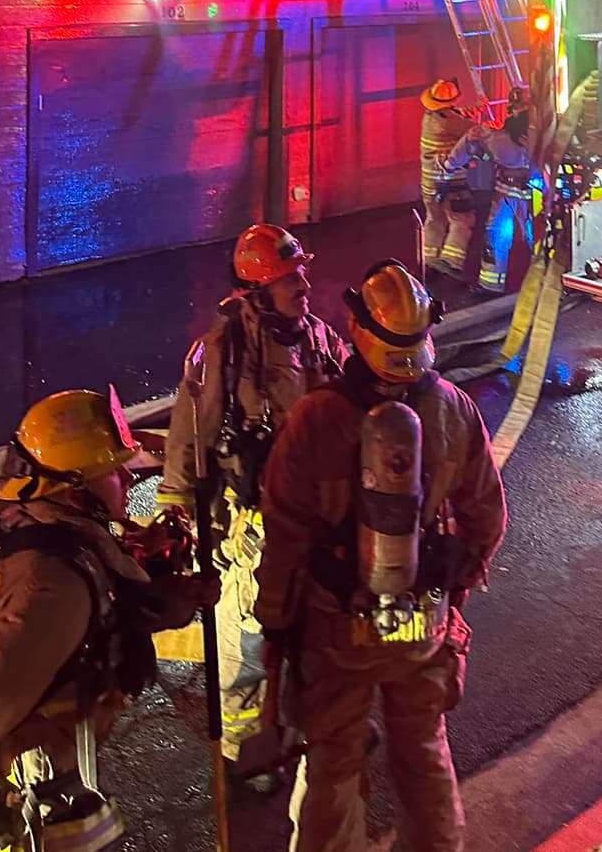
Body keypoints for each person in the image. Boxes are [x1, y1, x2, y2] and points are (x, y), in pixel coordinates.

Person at [0, 387, 216, 850]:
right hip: (16, 795)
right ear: (76, 485)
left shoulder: (24, 518)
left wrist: (171, 590)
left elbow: (109, 592)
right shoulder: (49, 586)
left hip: (34, 771)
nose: (129, 477)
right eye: (113, 470)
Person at [255, 260, 507, 852]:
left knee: (334, 764)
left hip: (336, 626)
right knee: (423, 751)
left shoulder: (315, 417)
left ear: (359, 329)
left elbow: (285, 533)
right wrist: (452, 588)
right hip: (423, 622)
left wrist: (276, 621)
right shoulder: (454, 408)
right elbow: (487, 518)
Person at [157, 223, 347, 778]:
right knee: (247, 641)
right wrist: (179, 514)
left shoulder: (318, 338)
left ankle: (302, 732)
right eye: (290, 278)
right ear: (258, 292)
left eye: (302, 272)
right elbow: (188, 436)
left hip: (314, 518)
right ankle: (242, 751)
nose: (304, 285)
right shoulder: (222, 351)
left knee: (313, 629)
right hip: (252, 524)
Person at [441, 85, 533, 294]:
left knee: (531, 238)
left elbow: (471, 145)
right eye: (516, 108)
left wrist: (450, 165)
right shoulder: (502, 137)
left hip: (528, 195)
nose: (518, 112)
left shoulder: (502, 138)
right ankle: (491, 284)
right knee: (499, 235)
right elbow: (476, 147)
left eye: (522, 108)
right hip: (515, 192)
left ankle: (537, 282)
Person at [419, 78, 477, 282]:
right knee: (462, 219)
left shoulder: (430, 117)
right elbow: (475, 130)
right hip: (451, 182)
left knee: (435, 219)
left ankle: (429, 260)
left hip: (430, 182)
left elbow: (456, 116)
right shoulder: (450, 122)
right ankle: (451, 261)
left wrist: (473, 109)